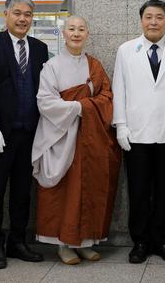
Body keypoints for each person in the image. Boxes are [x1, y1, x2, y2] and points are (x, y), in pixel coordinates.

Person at [32, 16, 121, 265]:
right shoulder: (52, 66)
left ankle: (85, 242)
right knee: (65, 190)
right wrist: (79, 107)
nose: (76, 33)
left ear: (87, 34)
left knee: (90, 187)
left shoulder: (94, 65)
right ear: (63, 33)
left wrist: (83, 106)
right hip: (62, 136)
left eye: (81, 29)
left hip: (92, 137)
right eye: (71, 29)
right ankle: (63, 244)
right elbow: (45, 102)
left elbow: (107, 95)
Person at [112, 0, 165, 264]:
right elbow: (119, 89)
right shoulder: (126, 50)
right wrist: (121, 126)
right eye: (148, 17)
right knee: (137, 190)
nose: (153, 22)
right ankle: (140, 241)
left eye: (159, 17)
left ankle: (162, 240)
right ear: (141, 20)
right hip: (136, 133)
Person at [0, 0, 48, 269]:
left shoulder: (40, 48)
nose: (22, 19)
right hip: (0, 134)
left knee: (22, 191)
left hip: (30, 131)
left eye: (27, 14)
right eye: (17, 13)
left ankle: (17, 241)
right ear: (5, 15)